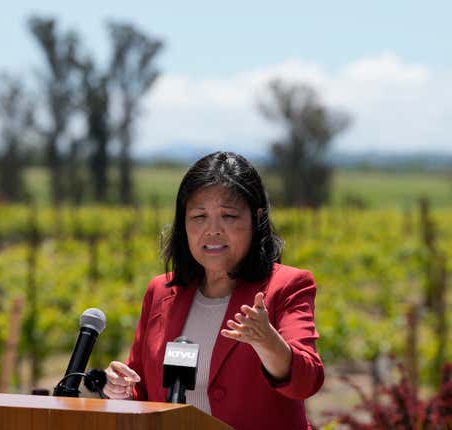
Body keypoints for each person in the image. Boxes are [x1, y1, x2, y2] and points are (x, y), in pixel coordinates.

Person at [103, 151, 324, 430]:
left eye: (229, 216)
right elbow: (144, 391)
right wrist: (120, 389)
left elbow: (307, 382)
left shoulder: (287, 287)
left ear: (257, 219)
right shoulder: (161, 291)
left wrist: (268, 342)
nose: (212, 230)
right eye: (199, 216)